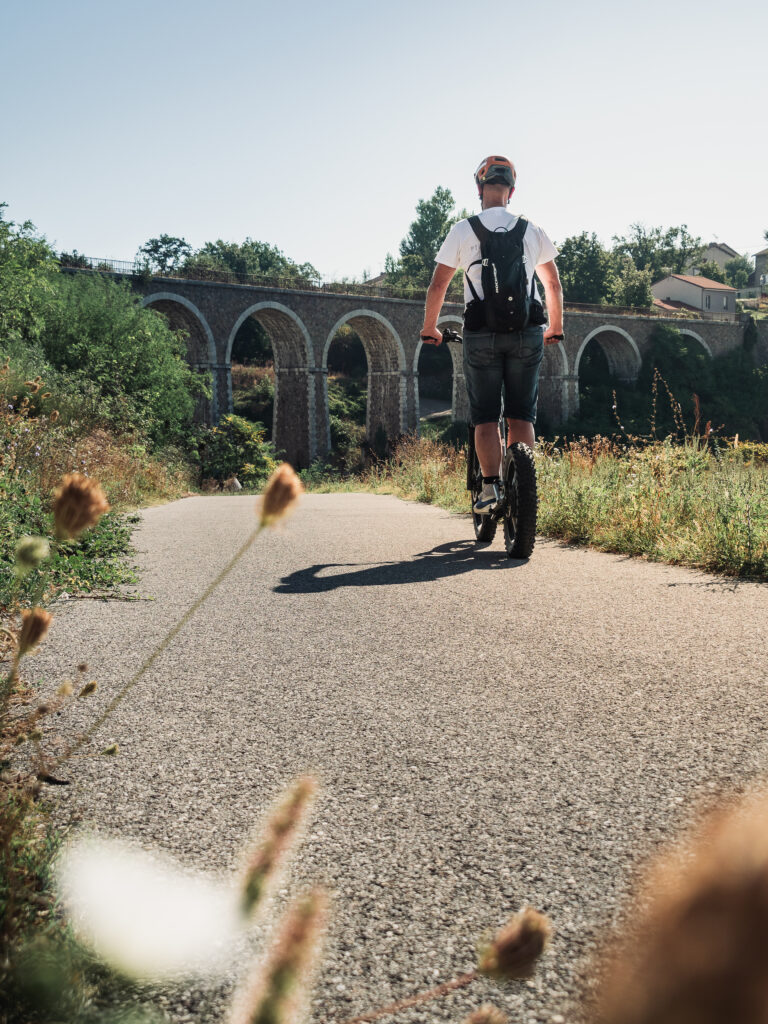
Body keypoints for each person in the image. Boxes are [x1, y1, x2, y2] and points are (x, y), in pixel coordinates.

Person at [420, 155, 563, 513]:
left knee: (485, 416)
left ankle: (490, 489)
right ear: (511, 191)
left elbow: (438, 285)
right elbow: (553, 285)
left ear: (479, 189)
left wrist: (430, 327)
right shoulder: (532, 229)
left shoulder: (462, 230)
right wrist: (556, 328)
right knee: (521, 416)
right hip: (528, 332)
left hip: (481, 334)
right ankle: (525, 492)